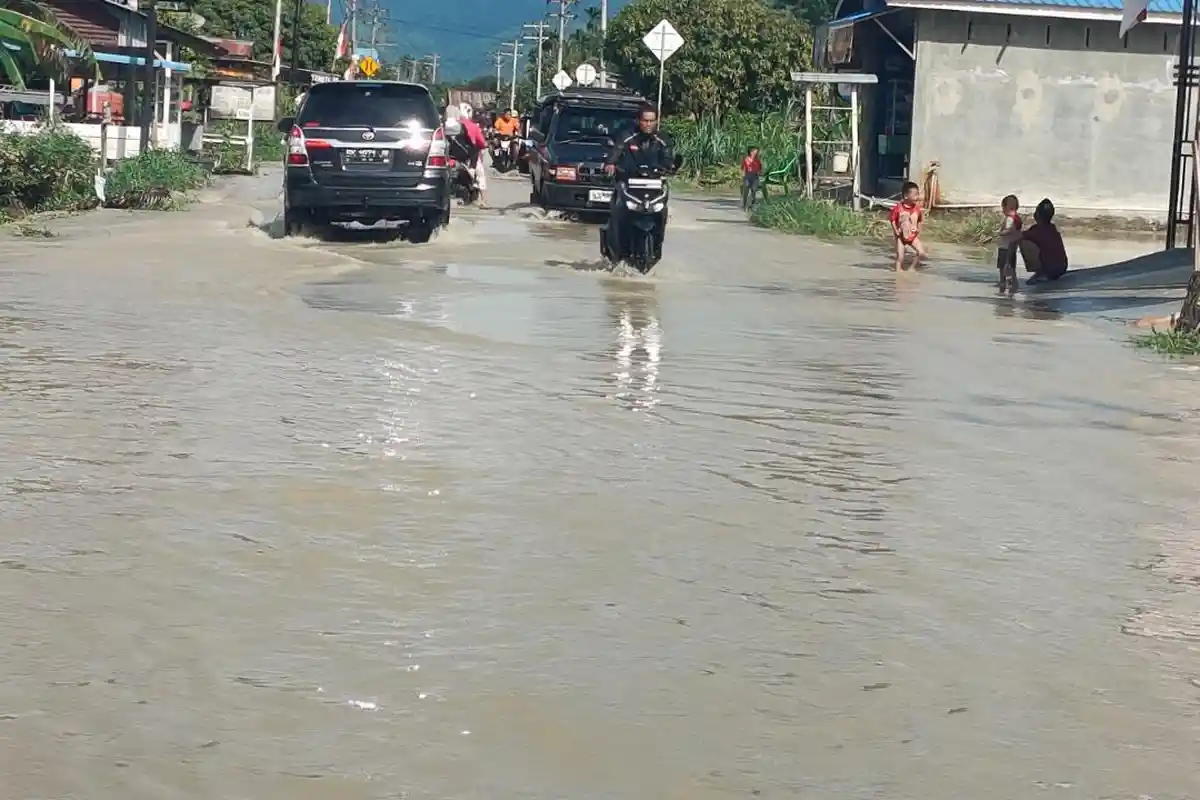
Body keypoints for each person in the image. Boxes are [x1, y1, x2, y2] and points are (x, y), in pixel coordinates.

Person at [604, 103, 676, 258]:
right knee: (617, 213)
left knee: (663, 211)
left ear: (657, 121)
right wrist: (611, 164)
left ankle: (657, 244)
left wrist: (671, 167)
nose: (648, 124)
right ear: (638, 120)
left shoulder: (662, 139)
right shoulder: (627, 136)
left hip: (654, 187)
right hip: (628, 185)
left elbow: (668, 159)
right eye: (645, 120)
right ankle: (616, 247)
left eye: (651, 121)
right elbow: (615, 153)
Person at [1019, 198, 1068, 285]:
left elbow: (1018, 236)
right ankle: (1043, 272)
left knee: (1024, 241)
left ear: (1037, 214)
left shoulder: (1038, 230)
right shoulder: (1052, 228)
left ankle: (1041, 273)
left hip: (1049, 270)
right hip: (1062, 268)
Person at [889, 181, 926, 271]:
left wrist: (918, 230)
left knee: (921, 252)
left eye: (918, 194)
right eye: (915, 195)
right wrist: (895, 231)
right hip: (901, 237)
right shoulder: (897, 208)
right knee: (900, 257)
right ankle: (898, 272)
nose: (918, 197)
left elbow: (920, 220)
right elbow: (892, 220)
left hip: (912, 236)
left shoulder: (917, 209)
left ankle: (912, 268)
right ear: (906, 196)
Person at [458, 103, 489, 207]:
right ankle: (484, 201)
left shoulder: (452, 125)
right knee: (481, 176)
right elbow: (482, 143)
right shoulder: (473, 126)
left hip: (454, 158)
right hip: (471, 157)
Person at [996, 194, 1022, 294]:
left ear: (1006, 207)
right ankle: (1013, 286)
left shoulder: (1009, 219)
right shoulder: (1016, 218)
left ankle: (1003, 286)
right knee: (1012, 269)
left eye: (1003, 207)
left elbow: (1009, 230)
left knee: (1003, 269)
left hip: (1005, 248)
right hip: (1013, 248)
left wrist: (999, 233)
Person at [741, 146, 763, 211]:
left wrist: (761, 174)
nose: (756, 152)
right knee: (746, 190)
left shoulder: (758, 161)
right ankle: (744, 204)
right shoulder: (746, 159)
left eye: (756, 151)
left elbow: (760, 169)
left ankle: (753, 204)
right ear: (751, 152)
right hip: (748, 175)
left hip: (755, 176)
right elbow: (743, 168)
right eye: (754, 151)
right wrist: (743, 175)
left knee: (754, 190)